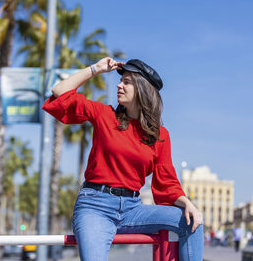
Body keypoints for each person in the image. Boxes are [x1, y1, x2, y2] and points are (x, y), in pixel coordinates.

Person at [42, 57, 204, 261]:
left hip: (133, 209)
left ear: (142, 89)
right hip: (95, 207)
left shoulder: (160, 135)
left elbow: (167, 183)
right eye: (121, 80)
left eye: (127, 81)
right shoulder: (104, 115)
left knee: (193, 220)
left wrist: (187, 203)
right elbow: (60, 92)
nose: (119, 85)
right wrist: (95, 69)